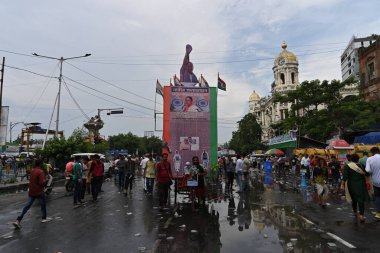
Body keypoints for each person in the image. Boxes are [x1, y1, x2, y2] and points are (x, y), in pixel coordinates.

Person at [13, 159, 51, 228]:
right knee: (43, 205)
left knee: (27, 206)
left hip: (32, 191)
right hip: (39, 191)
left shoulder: (33, 171)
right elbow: (41, 183)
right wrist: (46, 180)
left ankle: (18, 220)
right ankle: (44, 218)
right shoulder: (40, 171)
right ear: (40, 164)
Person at [342, 154, 370, 222]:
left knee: (353, 198)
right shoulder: (362, 166)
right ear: (358, 159)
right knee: (360, 199)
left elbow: (345, 177)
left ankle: (354, 212)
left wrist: (342, 185)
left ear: (351, 159)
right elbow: (367, 174)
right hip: (361, 184)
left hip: (351, 184)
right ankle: (361, 215)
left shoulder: (347, 166)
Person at [365, 147, 380, 219]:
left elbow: (367, 170)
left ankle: (378, 213)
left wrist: (372, 171)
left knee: (377, 197)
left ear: (372, 152)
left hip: (376, 182)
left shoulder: (369, 159)